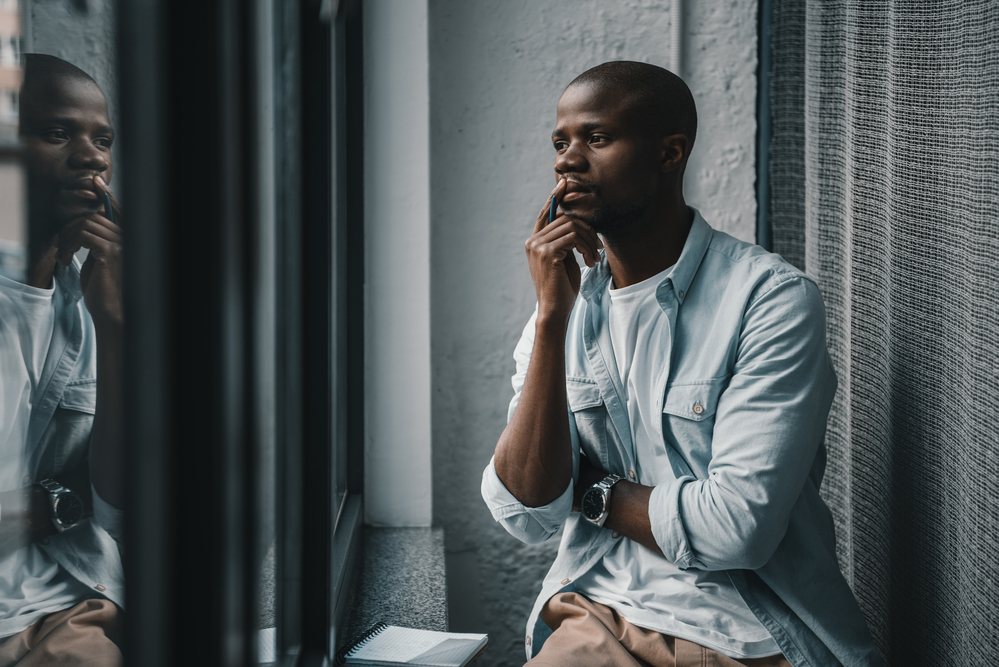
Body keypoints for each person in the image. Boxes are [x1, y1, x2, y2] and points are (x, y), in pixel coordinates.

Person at [481, 61, 883, 667]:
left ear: (670, 153)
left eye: (596, 138)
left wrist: (589, 490)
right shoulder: (565, 312)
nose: (568, 160)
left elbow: (735, 529)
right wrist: (549, 321)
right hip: (600, 615)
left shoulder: (767, 299)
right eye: (560, 143)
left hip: (749, 635)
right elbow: (527, 511)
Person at [0, 53, 124, 665]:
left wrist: (120, 328)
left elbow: (126, 497)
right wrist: (61, 501)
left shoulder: (92, 292)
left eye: (102, 139)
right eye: (57, 134)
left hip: (62, 603)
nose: (93, 157)